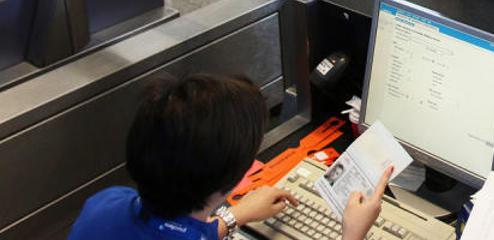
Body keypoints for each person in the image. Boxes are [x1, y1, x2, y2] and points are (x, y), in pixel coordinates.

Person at [66, 74, 389, 240]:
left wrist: (235, 217)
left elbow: (172, 231)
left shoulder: (105, 204)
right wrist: (352, 235)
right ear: (234, 178)